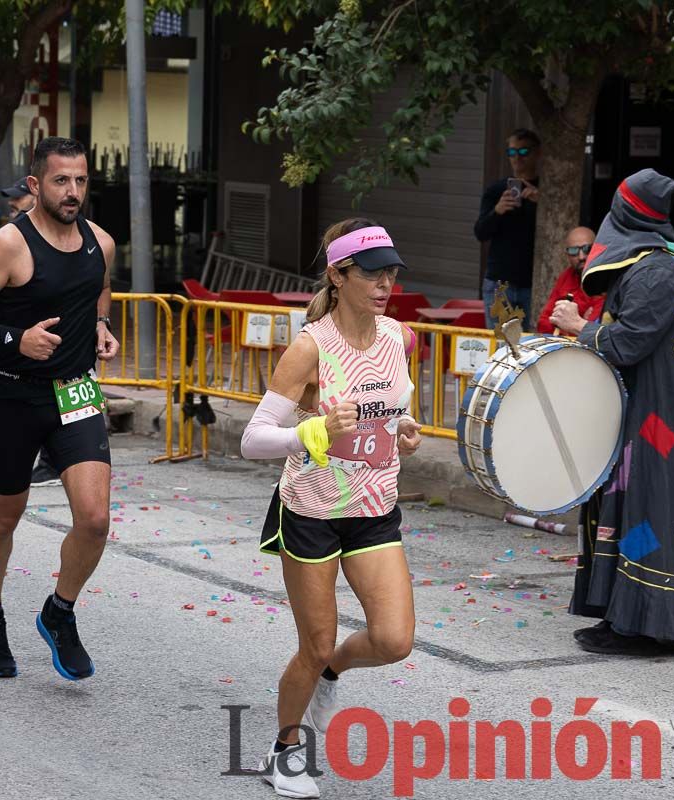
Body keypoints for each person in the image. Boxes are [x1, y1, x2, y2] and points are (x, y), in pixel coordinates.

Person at [240, 218, 422, 798]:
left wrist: (407, 429)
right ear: (338, 276)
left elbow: (392, 411)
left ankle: (332, 674)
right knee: (313, 643)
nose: (384, 284)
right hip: (313, 509)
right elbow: (252, 438)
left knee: (394, 640)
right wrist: (310, 431)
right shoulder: (309, 347)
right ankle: (286, 748)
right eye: (372, 274)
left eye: (390, 274)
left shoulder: (399, 337)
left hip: (374, 506)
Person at [0, 137, 119, 681]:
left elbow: (98, 289)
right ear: (37, 185)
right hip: (15, 391)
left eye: (81, 180)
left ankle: (58, 613)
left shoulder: (101, 243)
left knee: (94, 520)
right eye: (61, 181)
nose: (73, 192)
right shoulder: (8, 246)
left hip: (75, 391)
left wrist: (102, 325)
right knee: (4, 515)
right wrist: (14, 339)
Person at [550, 168, 674, 655]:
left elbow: (628, 341)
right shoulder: (652, 263)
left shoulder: (659, 270)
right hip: (644, 403)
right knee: (626, 504)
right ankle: (623, 615)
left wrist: (579, 325)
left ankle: (655, 624)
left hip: (659, 411)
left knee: (653, 502)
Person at [0, 175, 61, 489]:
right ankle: (46, 461)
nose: (12, 203)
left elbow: (102, 284)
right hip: (29, 345)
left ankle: (53, 463)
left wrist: (101, 323)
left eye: (17, 197)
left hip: (63, 345)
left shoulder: (89, 239)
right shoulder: (11, 238)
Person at [474, 128, 541, 328]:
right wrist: (498, 210)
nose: (517, 158)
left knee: (532, 347)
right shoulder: (496, 190)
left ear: (538, 153)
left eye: (523, 152)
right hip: (500, 282)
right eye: (512, 152)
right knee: (503, 347)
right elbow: (480, 232)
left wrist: (541, 203)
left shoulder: (548, 190)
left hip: (534, 282)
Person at [535, 226, 602, 333]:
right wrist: (579, 321)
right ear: (566, 254)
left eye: (587, 249)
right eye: (574, 251)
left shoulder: (606, 279)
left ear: (597, 249)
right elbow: (543, 323)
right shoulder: (566, 276)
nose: (581, 257)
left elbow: (595, 328)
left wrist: (568, 323)